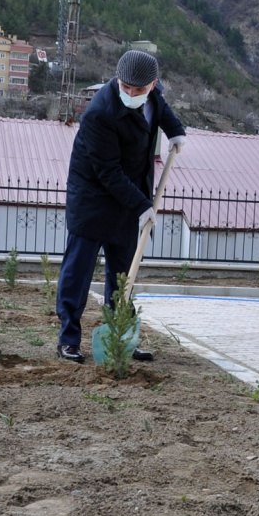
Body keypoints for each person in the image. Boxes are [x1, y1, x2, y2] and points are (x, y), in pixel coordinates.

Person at [55, 49, 187, 363]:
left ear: (152, 84)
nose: (129, 93)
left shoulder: (153, 95)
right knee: (78, 272)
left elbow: (161, 109)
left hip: (128, 198)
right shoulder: (100, 112)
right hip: (93, 198)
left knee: (123, 274)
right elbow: (107, 172)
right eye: (125, 86)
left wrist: (176, 132)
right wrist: (142, 205)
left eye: (138, 90)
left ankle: (121, 338)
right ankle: (68, 340)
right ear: (118, 78)